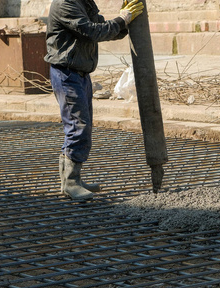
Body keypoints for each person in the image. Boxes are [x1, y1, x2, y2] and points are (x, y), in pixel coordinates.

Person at [44, 0, 144, 200]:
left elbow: (103, 28)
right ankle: (70, 182)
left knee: (83, 125)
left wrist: (125, 22)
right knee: (77, 126)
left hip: (79, 73)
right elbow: (92, 31)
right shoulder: (66, 4)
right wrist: (122, 19)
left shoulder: (84, 2)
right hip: (66, 74)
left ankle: (73, 179)